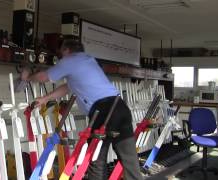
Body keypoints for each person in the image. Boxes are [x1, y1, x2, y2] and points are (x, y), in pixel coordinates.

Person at [21, 39, 143, 180]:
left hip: (104, 111)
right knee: (129, 158)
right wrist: (44, 99)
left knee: (95, 157)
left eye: (61, 52)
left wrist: (27, 77)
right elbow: (68, 87)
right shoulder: (88, 61)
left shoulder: (70, 60)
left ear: (67, 50)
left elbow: (44, 77)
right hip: (120, 107)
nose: (60, 55)